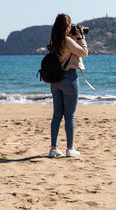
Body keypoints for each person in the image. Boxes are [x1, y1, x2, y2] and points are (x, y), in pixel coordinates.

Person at [48, 13, 88, 158]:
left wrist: (73, 38)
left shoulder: (54, 41)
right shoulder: (67, 41)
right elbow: (84, 53)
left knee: (57, 114)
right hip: (69, 78)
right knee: (69, 115)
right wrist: (81, 37)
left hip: (55, 80)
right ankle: (70, 148)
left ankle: (53, 148)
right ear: (67, 27)